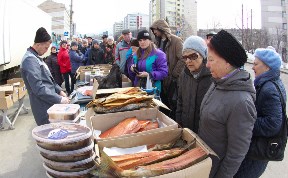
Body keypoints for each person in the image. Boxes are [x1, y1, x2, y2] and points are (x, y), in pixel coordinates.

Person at [198, 30, 257, 178]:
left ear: (227, 62)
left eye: (211, 60)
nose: (207, 65)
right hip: (205, 163)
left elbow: (237, 153)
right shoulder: (218, 83)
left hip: (216, 170)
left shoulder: (241, 102)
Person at [234, 47, 287, 178]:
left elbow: (273, 124)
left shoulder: (269, 89)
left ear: (267, 67)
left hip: (258, 150)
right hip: (259, 147)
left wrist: (246, 123)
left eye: (256, 64)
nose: (252, 67)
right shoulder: (271, 82)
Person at [20, 27, 69, 126]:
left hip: (50, 103)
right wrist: (59, 99)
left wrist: (59, 90)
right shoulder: (30, 60)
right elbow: (38, 88)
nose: (47, 50)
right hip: (43, 107)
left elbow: (48, 79)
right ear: (38, 44)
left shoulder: (36, 57)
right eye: (46, 47)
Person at [176, 36, 212, 133]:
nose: (188, 61)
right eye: (185, 57)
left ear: (203, 55)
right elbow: (180, 102)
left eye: (193, 56)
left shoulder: (213, 77)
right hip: (186, 130)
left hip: (204, 134)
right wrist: (179, 125)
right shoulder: (184, 74)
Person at [150, 19, 185, 120]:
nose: (154, 32)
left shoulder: (176, 41)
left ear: (161, 28)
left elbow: (183, 58)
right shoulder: (157, 41)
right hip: (162, 79)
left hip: (173, 80)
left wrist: (174, 73)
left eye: (155, 29)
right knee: (163, 103)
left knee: (173, 104)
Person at [128, 30, 168, 94]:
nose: (142, 42)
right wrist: (131, 69)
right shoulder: (136, 54)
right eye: (140, 40)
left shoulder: (159, 54)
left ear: (150, 40)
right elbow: (131, 75)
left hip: (153, 89)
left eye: (145, 39)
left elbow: (164, 73)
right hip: (138, 89)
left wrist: (149, 75)